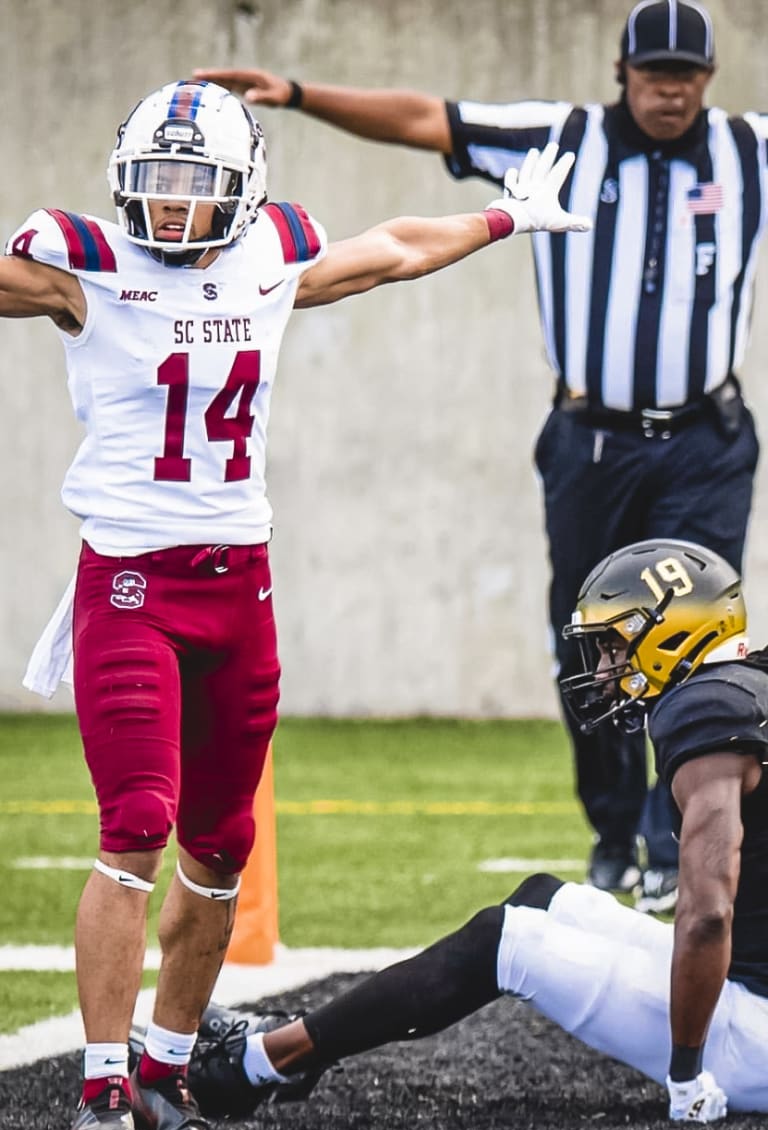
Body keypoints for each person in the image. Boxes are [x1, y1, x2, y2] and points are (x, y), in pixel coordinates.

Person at [1, 79, 589, 1130]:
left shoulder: (270, 255)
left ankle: (166, 1077)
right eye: (157, 188)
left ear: (241, 189)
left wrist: (504, 217)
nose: (172, 211)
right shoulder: (82, 267)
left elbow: (394, 247)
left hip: (238, 586)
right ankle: (99, 1095)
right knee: (135, 821)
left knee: (221, 844)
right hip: (130, 582)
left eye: (195, 189)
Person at [195, 0, 768, 911]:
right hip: (591, 439)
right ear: (622, 71)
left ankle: (672, 836)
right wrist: (296, 92)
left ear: (708, 79)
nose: (670, 91)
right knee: (589, 639)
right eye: (654, 74)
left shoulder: (750, 150)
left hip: (707, 439)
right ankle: (615, 826)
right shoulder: (560, 138)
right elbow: (429, 118)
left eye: (686, 77)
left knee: (695, 638)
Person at [148, 537, 768, 1125]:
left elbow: (708, 914)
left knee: (501, 941)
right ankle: (296, 1046)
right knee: (542, 897)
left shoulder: (705, 709)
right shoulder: (750, 685)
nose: (605, 669)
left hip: (754, 1031)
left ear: (668, 639)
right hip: (754, 992)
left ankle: (255, 1067)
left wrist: (686, 1079)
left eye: (614, 648)